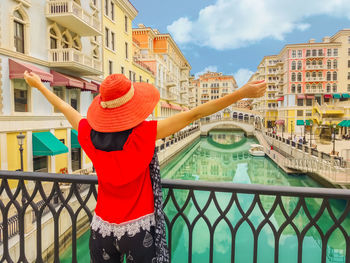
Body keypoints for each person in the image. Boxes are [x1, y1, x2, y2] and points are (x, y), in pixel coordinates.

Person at [24, 71, 266, 263]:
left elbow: (67, 109)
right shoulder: (145, 134)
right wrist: (240, 94)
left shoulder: (88, 134)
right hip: (137, 230)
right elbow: (195, 114)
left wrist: (40, 86)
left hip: (101, 229)